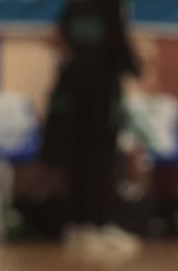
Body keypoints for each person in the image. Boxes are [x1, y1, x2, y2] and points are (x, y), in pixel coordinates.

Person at [42, 0, 142, 254]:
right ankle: (94, 225)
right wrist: (135, 68)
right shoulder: (108, 6)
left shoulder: (74, 6)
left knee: (80, 160)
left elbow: (59, 37)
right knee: (97, 160)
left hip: (74, 91)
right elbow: (118, 45)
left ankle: (79, 225)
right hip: (97, 96)